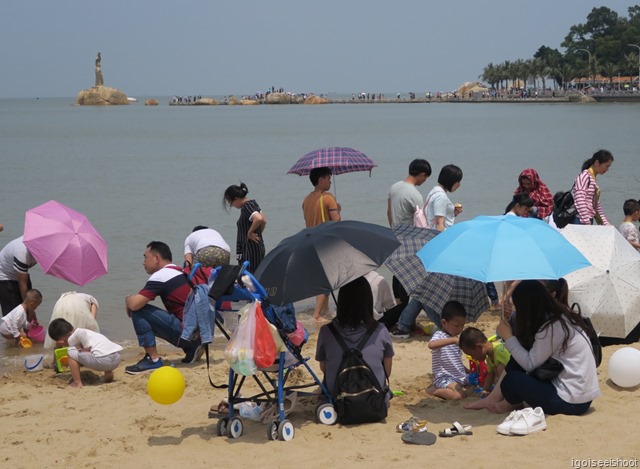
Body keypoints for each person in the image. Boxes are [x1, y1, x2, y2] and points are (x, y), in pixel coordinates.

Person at [494, 280, 600, 415]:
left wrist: (508, 337)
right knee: (519, 358)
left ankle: (511, 403)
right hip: (582, 396)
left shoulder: (552, 327)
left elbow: (530, 364)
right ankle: (500, 399)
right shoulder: (562, 316)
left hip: (571, 401)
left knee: (511, 381)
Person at [124, 241, 202, 375]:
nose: (143, 262)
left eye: (145, 257)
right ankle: (192, 347)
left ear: (156, 258)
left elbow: (135, 304)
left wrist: (127, 299)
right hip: (198, 333)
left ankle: (153, 360)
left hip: (186, 333)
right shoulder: (179, 271)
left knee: (139, 311)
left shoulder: (161, 276)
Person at [315, 276, 394, 404]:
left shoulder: (326, 331)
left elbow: (324, 367)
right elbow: (387, 371)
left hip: (338, 396)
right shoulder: (381, 330)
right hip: (374, 396)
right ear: (368, 301)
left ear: (341, 302)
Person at [302, 167, 341, 322]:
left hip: (310, 241)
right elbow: (336, 222)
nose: (330, 181)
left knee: (320, 278)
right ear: (320, 180)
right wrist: (338, 209)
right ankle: (317, 315)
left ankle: (325, 311)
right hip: (325, 242)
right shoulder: (328, 197)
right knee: (326, 280)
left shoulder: (306, 199)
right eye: (328, 178)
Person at [48, 318, 122, 388]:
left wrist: (86, 348)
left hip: (102, 361)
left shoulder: (75, 335)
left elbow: (80, 333)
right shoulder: (89, 333)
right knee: (100, 349)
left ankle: (77, 383)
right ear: (72, 327)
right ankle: (108, 374)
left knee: (70, 352)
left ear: (60, 342)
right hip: (116, 357)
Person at [426, 301, 468, 400]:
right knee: (459, 395)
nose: (460, 329)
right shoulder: (440, 335)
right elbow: (431, 345)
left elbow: (456, 360)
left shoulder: (456, 338)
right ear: (444, 322)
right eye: (456, 326)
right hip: (445, 377)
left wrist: (467, 371)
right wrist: (452, 340)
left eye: (462, 325)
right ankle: (434, 390)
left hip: (458, 376)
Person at [460, 327, 511, 410]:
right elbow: (490, 375)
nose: (474, 358)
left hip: (513, 379)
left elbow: (510, 370)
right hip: (506, 382)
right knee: (493, 370)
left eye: (472, 355)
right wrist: (485, 389)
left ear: (479, 347)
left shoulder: (499, 351)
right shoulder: (489, 355)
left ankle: (505, 397)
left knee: (500, 368)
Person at [223, 183, 266, 273]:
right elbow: (264, 221)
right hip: (257, 247)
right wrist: (258, 234)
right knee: (258, 273)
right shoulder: (253, 203)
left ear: (236, 199)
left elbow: (259, 218)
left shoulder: (246, 206)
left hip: (250, 250)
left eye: (231, 203)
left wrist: (250, 233)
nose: (232, 206)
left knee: (249, 275)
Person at [571, 149, 614, 225]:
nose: (607, 169)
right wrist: (586, 222)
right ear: (597, 162)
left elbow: (595, 203)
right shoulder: (585, 176)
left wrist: (605, 222)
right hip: (580, 220)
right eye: (606, 166)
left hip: (587, 219)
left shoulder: (592, 178)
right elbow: (579, 198)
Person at [386, 158, 431, 227]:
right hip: (408, 235)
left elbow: (389, 213)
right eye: (426, 177)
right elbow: (421, 221)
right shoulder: (415, 194)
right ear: (422, 175)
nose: (425, 180)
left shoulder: (393, 187)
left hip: (394, 232)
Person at [0, 236, 37, 316]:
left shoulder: (43, 248)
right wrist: (30, 312)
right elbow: (22, 284)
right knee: (13, 314)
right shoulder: (22, 253)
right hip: (5, 276)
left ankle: (28, 325)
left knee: (32, 303)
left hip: (20, 272)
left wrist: (31, 311)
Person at [424, 164, 463, 231]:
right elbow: (439, 224)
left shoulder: (435, 191)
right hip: (438, 236)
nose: (459, 185)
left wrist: (451, 212)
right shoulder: (441, 196)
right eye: (458, 181)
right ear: (451, 180)